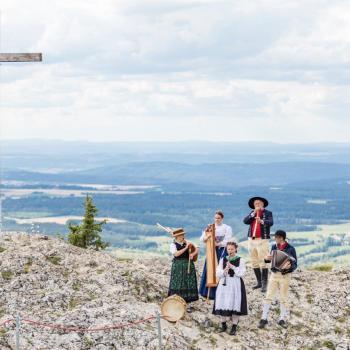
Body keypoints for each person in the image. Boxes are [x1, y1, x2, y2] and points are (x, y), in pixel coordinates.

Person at [258, 230, 297, 329]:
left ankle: (282, 319)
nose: (274, 239)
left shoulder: (291, 249)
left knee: (283, 298)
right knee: (268, 296)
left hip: (285, 276)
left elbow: (295, 264)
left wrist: (289, 267)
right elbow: (271, 259)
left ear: (281, 238)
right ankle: (264, 318)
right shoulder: (274, 247)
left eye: (276, 237)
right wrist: (267, 258)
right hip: (274, 274)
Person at [213, 241, 247, 336]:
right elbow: (217, 272)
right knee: (222, 302)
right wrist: (224, 271)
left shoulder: (241, 260)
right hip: (224, 283)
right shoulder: (223, 259)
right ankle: (223, 325)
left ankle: (234, 327)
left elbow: (242, 273)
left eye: (232, 249)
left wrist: (233, 267)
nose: (230, 251)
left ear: (236, 249)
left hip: (235, 283)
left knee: (234, 304)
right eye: (228, 249)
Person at [199, 211, 234, 299]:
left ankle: (221, 292)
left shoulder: (226, 228)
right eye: (215, 218)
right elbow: (202, 239)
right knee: (210, 269)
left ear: (222, 218)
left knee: (221, 268)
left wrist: (218, 244)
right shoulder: (210, 227)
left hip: (222, 251)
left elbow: (227, 241)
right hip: (211, 251)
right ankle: (207, 292)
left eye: (218, 218)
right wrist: (206, 237)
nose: (216, 219)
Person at [243, 197, 273, 292]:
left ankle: (265, 284)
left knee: (263, 260)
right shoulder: (252, 213)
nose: (257, 205)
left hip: (262, 239)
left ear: (263, 204)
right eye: (256, 203)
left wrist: (262, 221)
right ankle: (259, 282)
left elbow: (271, 222)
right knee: (254, 261)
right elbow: (245, 221)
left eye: (259, 203)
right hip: (251, 239)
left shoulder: (268, 213)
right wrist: (253, 214)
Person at [168, 228, 199, 311]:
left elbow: (197, 248)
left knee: (188, 283)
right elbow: (176, 254)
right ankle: (176, 303)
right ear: (177, 236)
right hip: (178, 266)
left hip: (188, 265)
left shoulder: (187, 242)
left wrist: (193, 253)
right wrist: (186, 248)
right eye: (182, 235)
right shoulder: (173, 245)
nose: (183, 236)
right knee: (178, 283)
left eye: (183, 234)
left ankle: (189, 305)